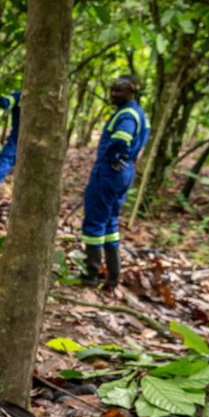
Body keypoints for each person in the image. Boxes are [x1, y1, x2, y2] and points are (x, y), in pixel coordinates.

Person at [80, 75, 150, 291]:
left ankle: (91, 275)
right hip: (123, 172)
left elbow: (121, 139)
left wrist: (114, 157)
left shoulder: (127, 115)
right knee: (110, 223)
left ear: (132, 92)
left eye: (119, 91)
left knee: (94, 222)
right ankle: (113, 276)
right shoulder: (140, 114)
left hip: (110, 172)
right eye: (112, 90)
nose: (113, 95)